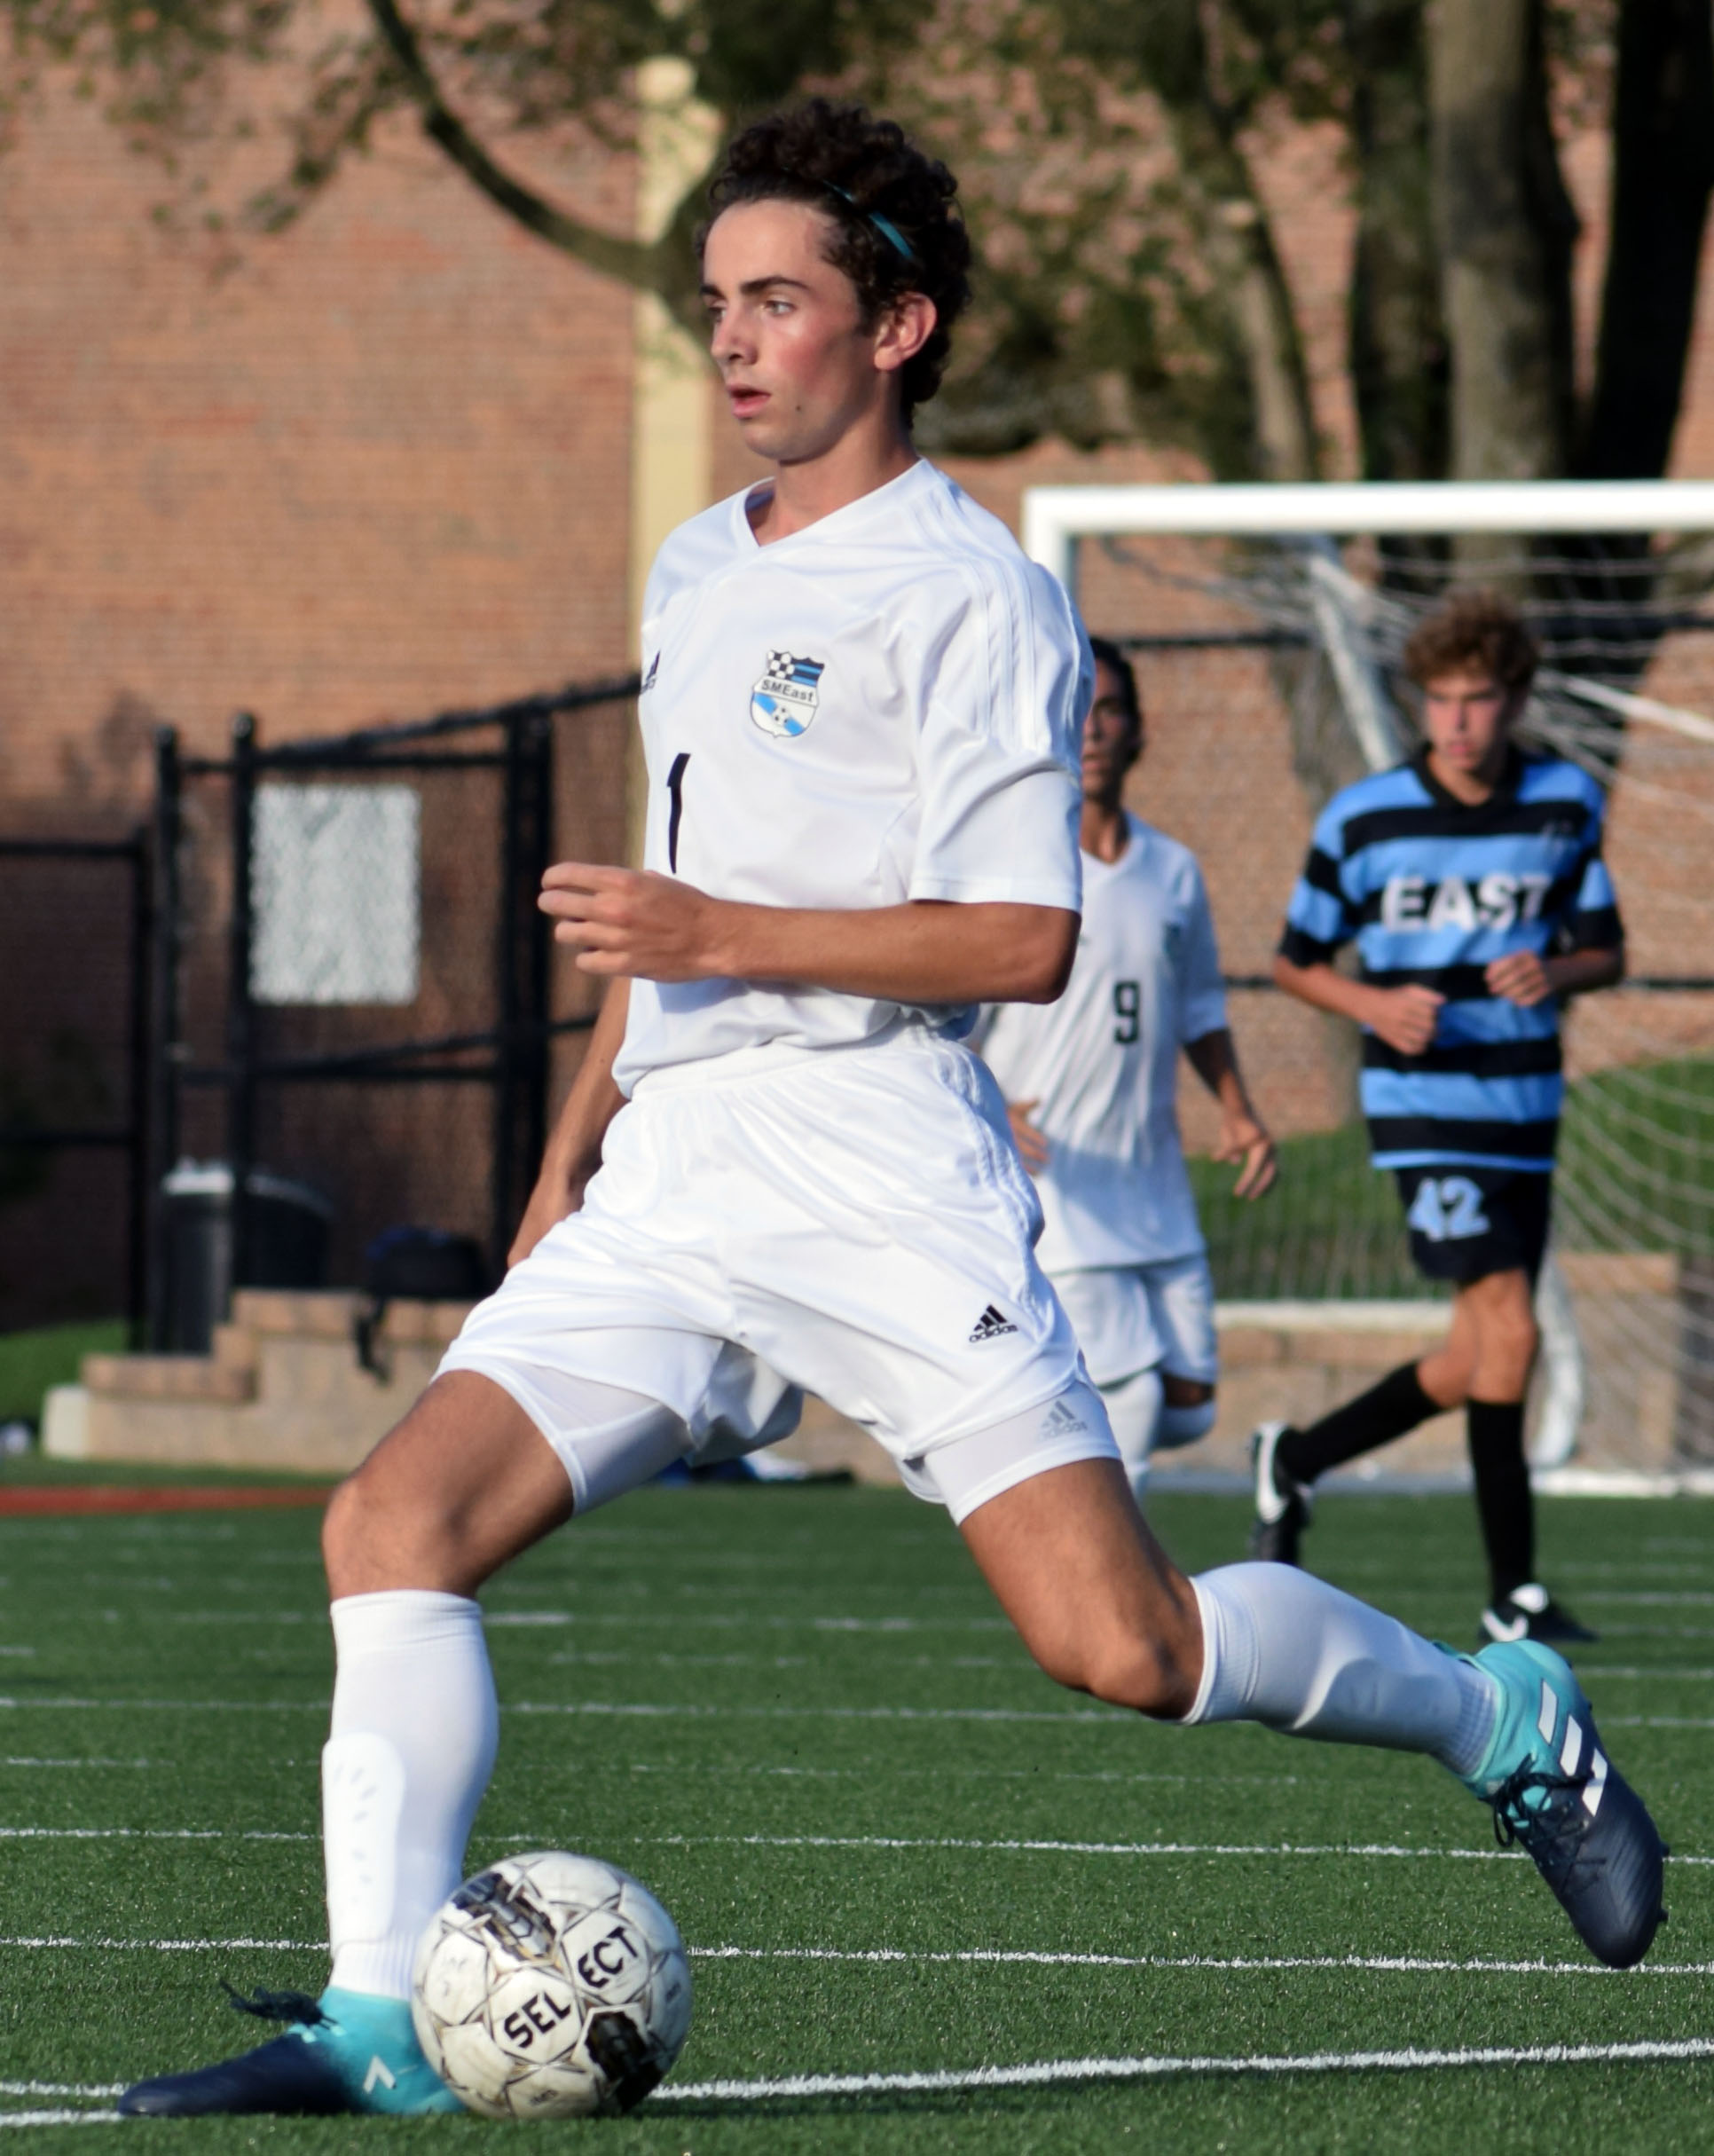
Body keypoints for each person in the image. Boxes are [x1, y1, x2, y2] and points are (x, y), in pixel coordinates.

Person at [122, 107, 1663, 2119]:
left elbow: (1022, 942)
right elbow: (669, 914)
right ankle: (379, 2029)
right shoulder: (695, 563)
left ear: (900, 325)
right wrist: (576, 1142)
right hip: (678, 1164)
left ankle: (1500, 1716)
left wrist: (710, 924)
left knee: (1123, 1643)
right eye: (717, 306)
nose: (737, 342)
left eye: (779, 300)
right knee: (389, 1522)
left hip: (875, 1162)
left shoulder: (972, 595)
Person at [1256, 589, 1624, 1647]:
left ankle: (1298, 1460)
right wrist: (1372, 1002)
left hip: (1525, 1101)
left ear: (1514, 702)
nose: (1457, 723)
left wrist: (1553, 968)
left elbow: (1610, 949)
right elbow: (1294, 961)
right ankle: (1514, 1595)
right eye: (1441, 702)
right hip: (1421, 1105)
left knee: (1478, 1356)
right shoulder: (1364, 817)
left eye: (1479, 701)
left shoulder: (1562, 803)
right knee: (1512, 1327)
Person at [978, 638, 1275, 1498]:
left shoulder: (1174, 870)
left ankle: (1013, 1451)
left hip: (1153, 1183)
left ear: (1140, 732)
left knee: (1188, 1404)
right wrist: (989, 1104)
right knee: (1135, 1400)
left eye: (1111, 711)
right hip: (1057, 1179)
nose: (1095, 729)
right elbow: (947, 1018)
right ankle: (1110, 1600)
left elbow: (1200, 1009)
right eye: (1080, 711)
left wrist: (1239, 1110)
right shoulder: (1018, 869)